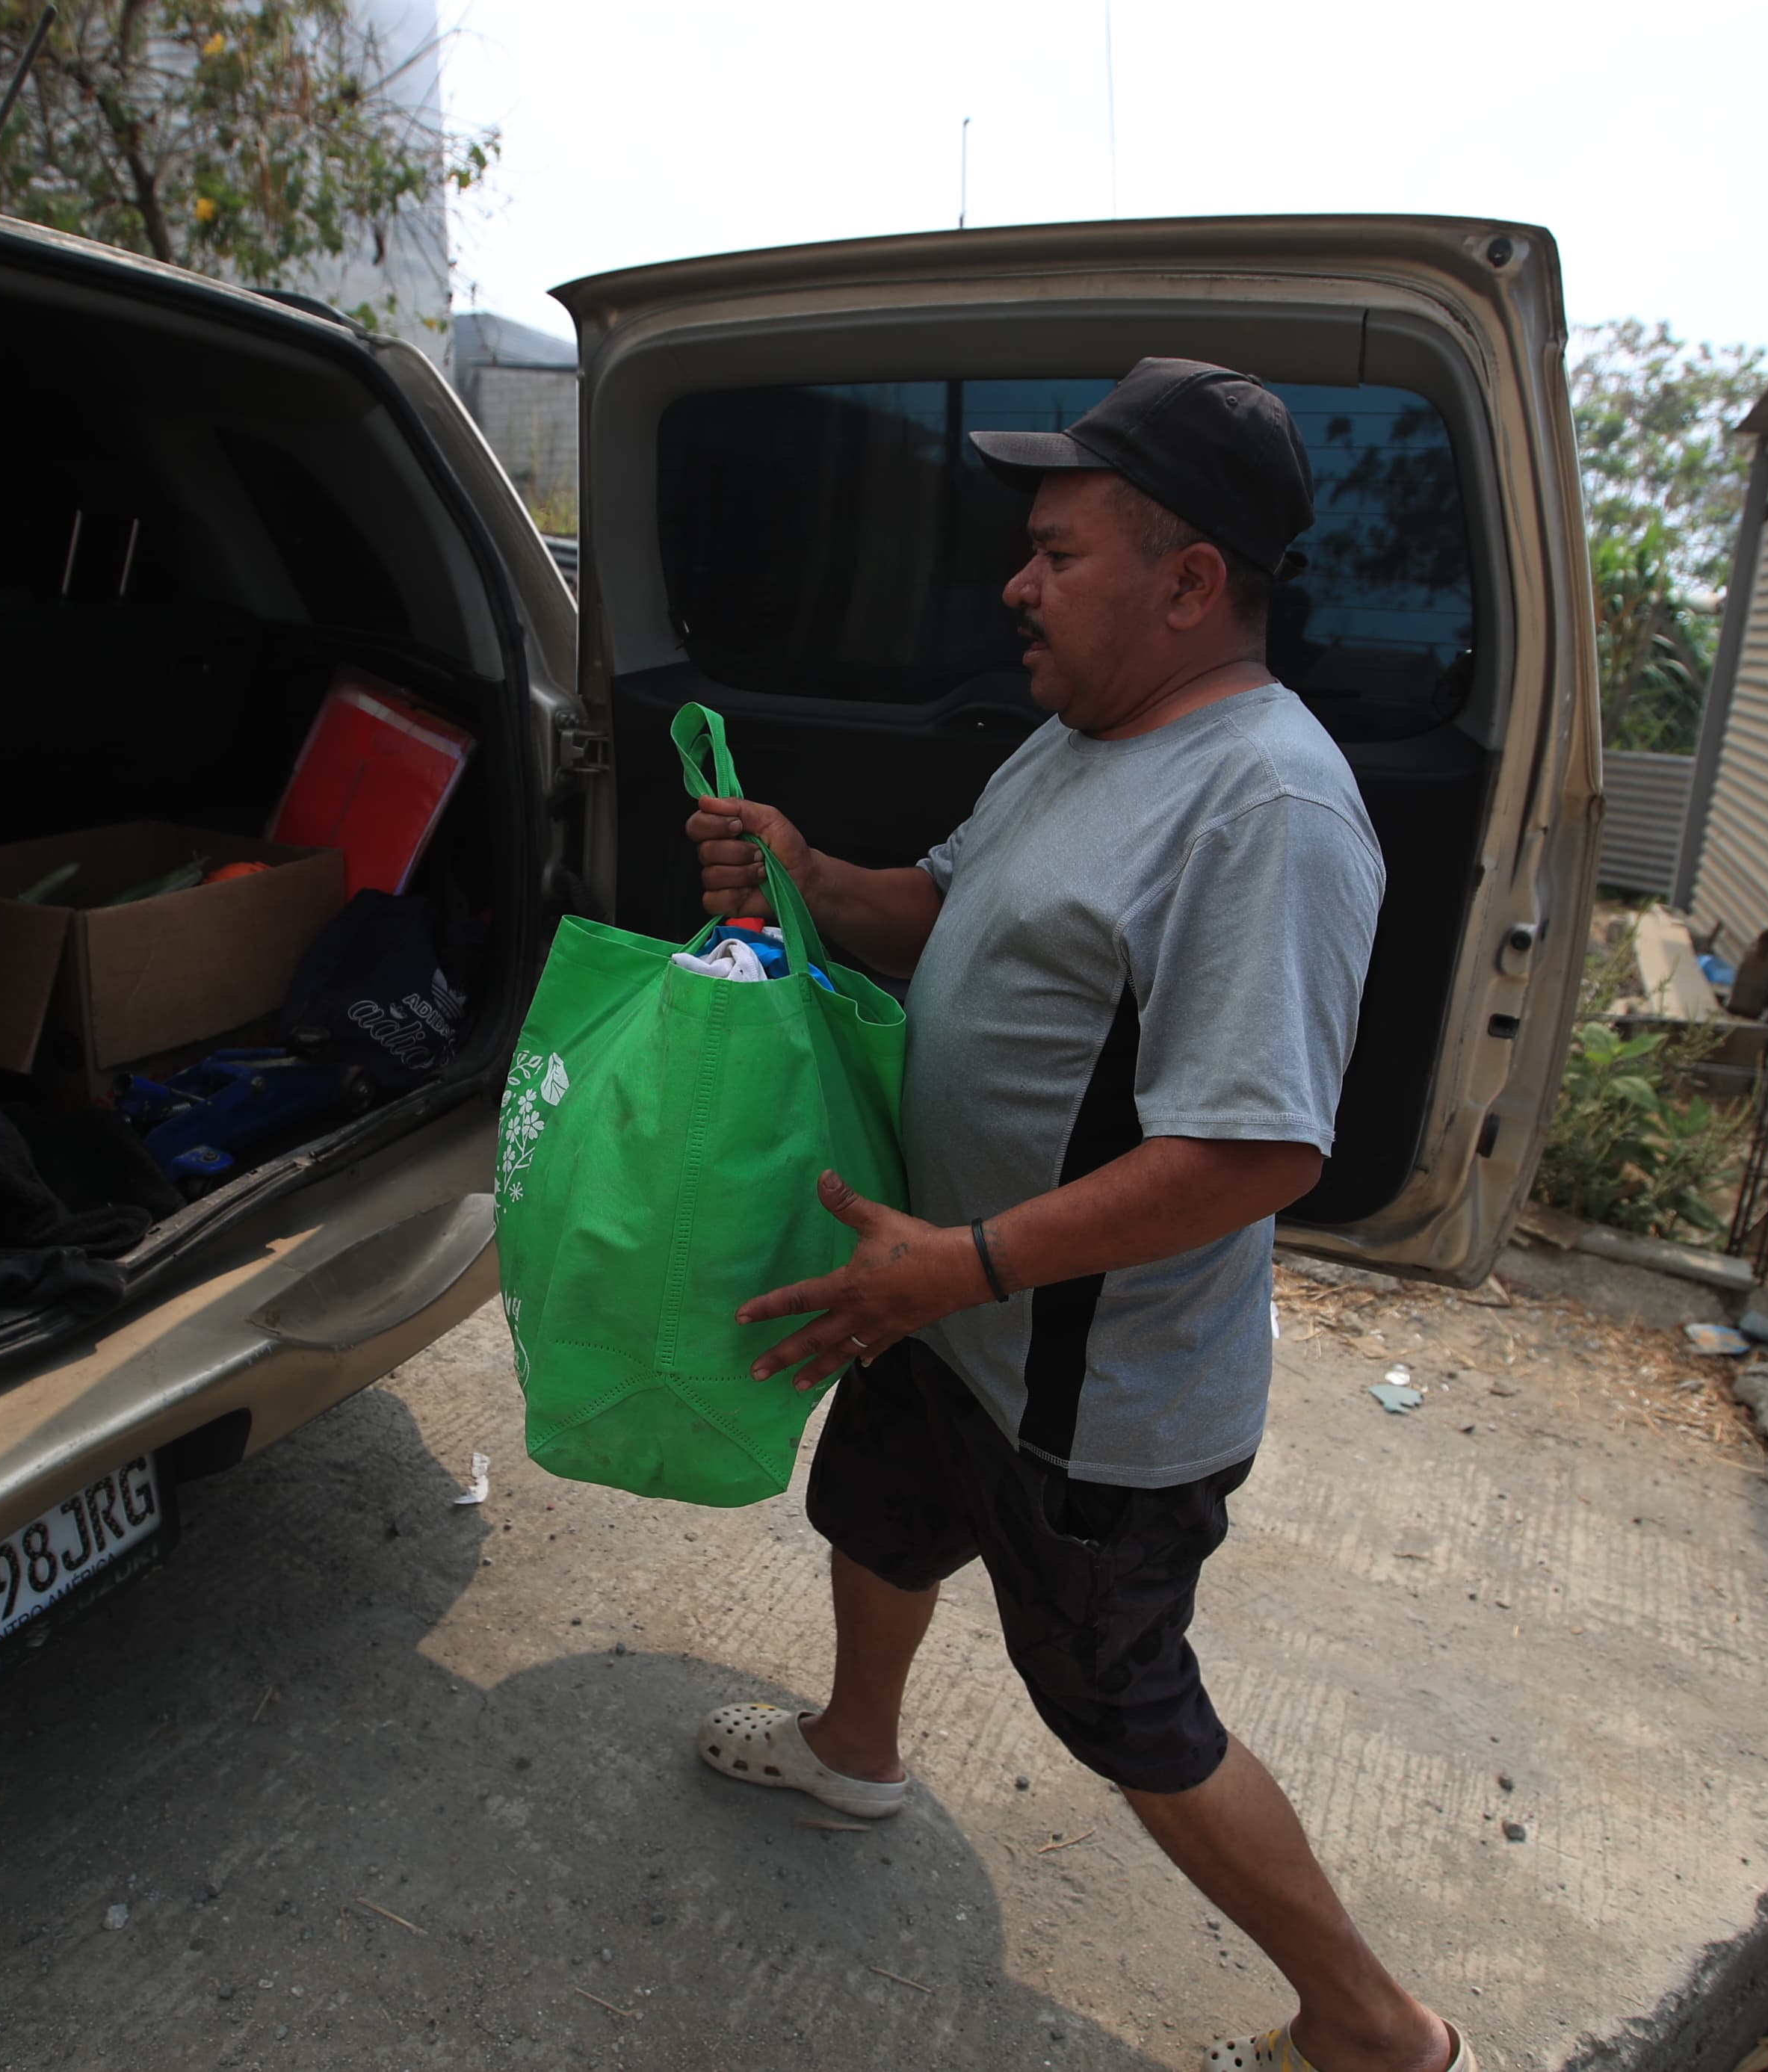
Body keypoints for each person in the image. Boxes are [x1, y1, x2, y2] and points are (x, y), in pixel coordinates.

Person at [681, 360, 1468, 2072]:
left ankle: (1375, 2027)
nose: (1014, 587)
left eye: (1056, 554)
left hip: (1085, 1391)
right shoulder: (1080, 737)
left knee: (1124, 1708)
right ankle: (855, 1748)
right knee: (877, 1512)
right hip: (948, 1306)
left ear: (1189, 583)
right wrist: (810, 878)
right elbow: (939, 911)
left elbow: (1254, 1152)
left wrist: (958, 1262)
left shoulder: (1265, 805)